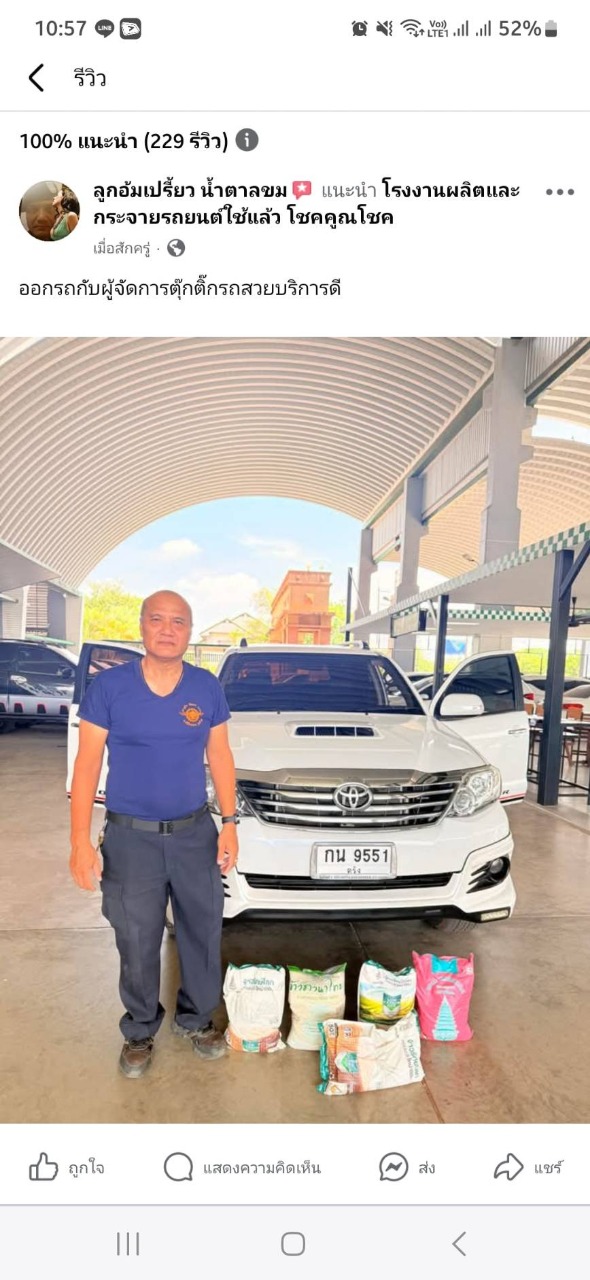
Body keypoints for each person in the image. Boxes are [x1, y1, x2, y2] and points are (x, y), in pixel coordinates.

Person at [69, 590, 239, 1078]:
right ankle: (140, 1028)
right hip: (131, 839)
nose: (167, 629)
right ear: (142, 626)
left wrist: (229, 823)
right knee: (136, 936)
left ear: (190, 631)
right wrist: (80, 841)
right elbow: (87, 764)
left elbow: (220, 756)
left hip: (193, 834)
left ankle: (197, 1019)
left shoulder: (206, 687)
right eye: (158, 620)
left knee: (202, 931)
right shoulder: (110, 688)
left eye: (178, 621)